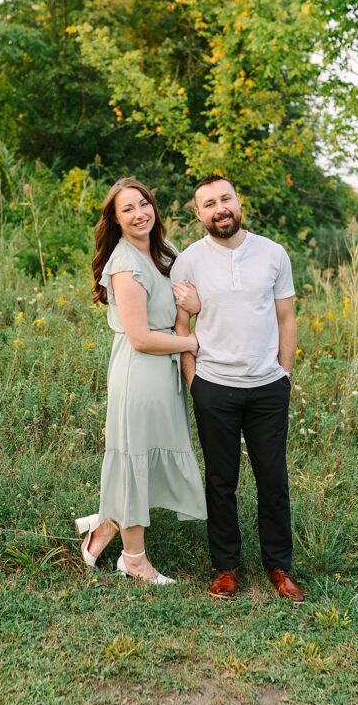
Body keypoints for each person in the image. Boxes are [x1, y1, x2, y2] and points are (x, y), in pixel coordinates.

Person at [170, 174, 304, 603]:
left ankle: (279, 567)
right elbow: (182, 328)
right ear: (198, 214)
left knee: (273, 480)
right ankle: (226, 567)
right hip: (214, 387)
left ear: (238, 200)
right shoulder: (188, 261)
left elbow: (286, 318)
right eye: (209, 203)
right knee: (221, 481)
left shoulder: (272, 253)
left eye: (225, 198)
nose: (219, 208)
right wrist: (195, 384)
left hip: (267, 387)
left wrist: (284, 374)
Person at [78, 177, 208, 585]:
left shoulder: (161, 253)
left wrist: (194, 309)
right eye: (128, 210)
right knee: (136, 459)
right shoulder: (125, 263)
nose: (139, 214)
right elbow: (140, 337)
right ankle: (133, 559)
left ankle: (106, 526)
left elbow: (181, 305)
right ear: (116, 221)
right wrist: (191, 342)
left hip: (163, 373)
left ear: (154, 206)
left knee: (146, 457)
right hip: (140, 371)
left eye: (143, 204)